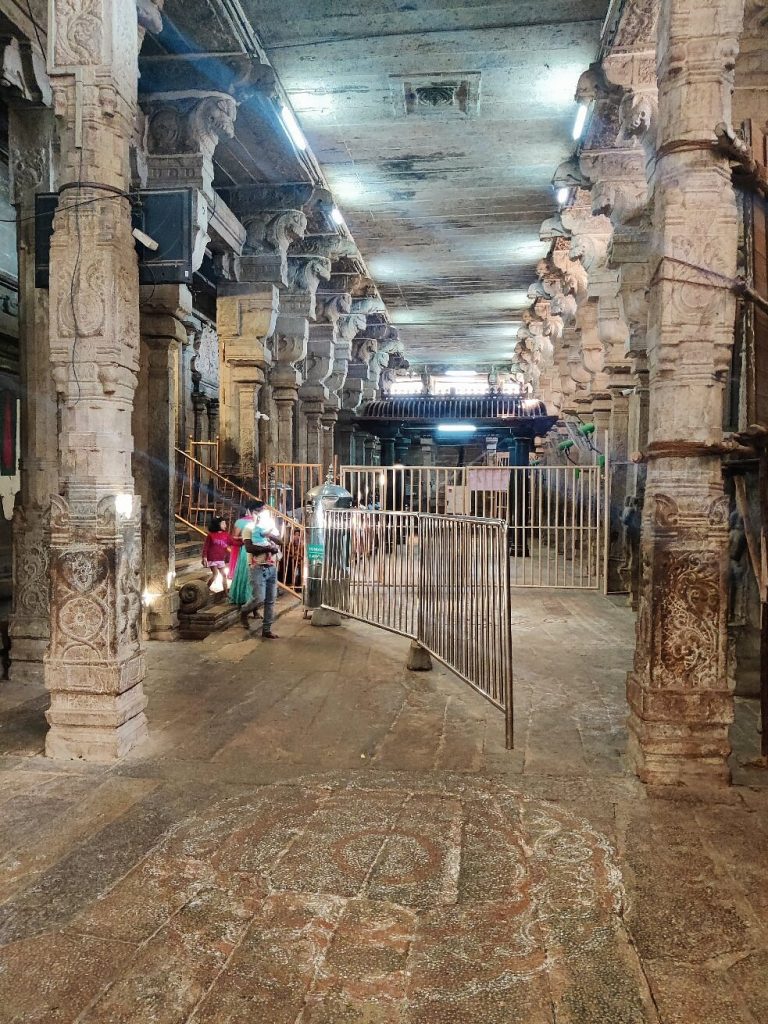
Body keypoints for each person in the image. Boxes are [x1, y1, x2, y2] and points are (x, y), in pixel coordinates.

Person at [240, 499, 282, 638]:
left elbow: (281, 542)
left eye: (264, 510)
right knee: (259, 598)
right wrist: (268, 547)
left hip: (271, 567)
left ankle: (267, 630)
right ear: (252, 512)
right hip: (257, 566)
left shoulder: (267, 529)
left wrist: (270, 535)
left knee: (270, 600)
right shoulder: (249, 528)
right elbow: (249, 548)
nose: (262, 513)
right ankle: (244, 611)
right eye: (259, 511)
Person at [228, 505, 256, 608]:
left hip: (258, 549)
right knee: (246, 573)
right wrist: (247, 538)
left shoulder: (260, 522)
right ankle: (244, 598)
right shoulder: (241, 522)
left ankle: (253, 602)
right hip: (246, 548)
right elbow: (235, 536)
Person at [201, 516, 230, 593]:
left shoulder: (225, 535)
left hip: (220, 558)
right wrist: (204, 557)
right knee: (215, 574)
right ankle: (206, 589)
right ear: (217, 525)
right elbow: (206, 547)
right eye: (223, 523)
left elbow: (228, 545)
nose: (225, 525)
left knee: (224, 575)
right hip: (212, 558)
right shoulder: (210, 535)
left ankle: (226, 592)